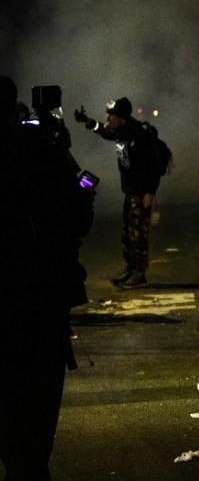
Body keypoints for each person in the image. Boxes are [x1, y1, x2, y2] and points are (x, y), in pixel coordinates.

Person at [1, 75, 94, 479]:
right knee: (32, 442)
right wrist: (80, 179)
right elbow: (78, 215)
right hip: (35, 304)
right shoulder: (35, 148)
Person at [74, 97, 162, 288]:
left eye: (111, 115)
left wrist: (149, 191)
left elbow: (152, 166)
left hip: (140, 192)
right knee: (127, 234)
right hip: (130, 192)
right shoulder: (121, 132)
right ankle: (130, 269)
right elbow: (104, 131)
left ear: (121, 117)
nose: (108, 118)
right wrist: (87, 121)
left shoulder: (138, 135)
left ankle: (139, 274)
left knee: (138, 235)